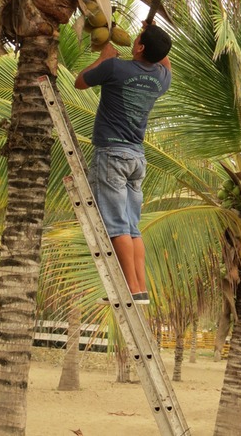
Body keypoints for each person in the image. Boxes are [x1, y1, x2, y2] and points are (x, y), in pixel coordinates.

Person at [74, 22, 172, 305]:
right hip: (136, 158)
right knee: (132, 227)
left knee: (117, 226)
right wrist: (152, 35)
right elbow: (164, 59)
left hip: (113, 156)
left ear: (139, 47)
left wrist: (103, 57)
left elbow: (80, 82)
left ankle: (129, 287)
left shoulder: (115, 68)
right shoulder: (161, 79)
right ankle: (138, 287)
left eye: (139, 38)